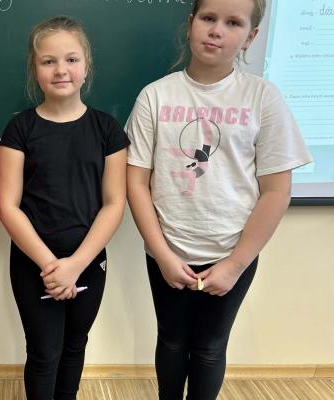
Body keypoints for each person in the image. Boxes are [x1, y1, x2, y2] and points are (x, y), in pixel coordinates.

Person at [125, 0, 313, 398]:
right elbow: (136, 182)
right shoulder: (155, 97)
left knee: (210, 347)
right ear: (191, 22)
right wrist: (162, 254)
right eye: (209, 18)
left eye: (233, 23)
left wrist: (234, 264)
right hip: (168, 251)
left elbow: (276, 191)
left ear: (251, 36)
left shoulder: (263, 98)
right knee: (171, 340)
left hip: (231, 253)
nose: (216, 30)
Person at [0, 16, 129, 400]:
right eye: (48, 61)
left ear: (86, 65)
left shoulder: (107, 130)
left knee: (74, 346)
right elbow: (8, 205)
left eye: (71, 59)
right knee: (43, 352)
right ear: (34, 68)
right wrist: (50, 266)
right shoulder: (20, 129)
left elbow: (114, 203)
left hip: (88, 261)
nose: (60, 70)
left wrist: (75, 265)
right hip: (32, 264)